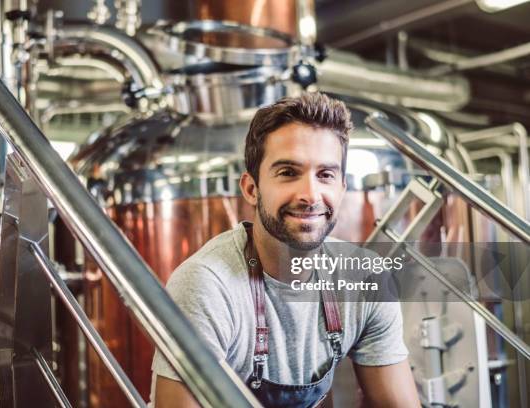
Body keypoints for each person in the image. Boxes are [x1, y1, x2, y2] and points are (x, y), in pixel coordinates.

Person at [150, 92, 421, 407]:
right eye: (288, 173)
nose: (310, 194)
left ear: (342, 188)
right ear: (252, 189)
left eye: (325, 175)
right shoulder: (207, 286)